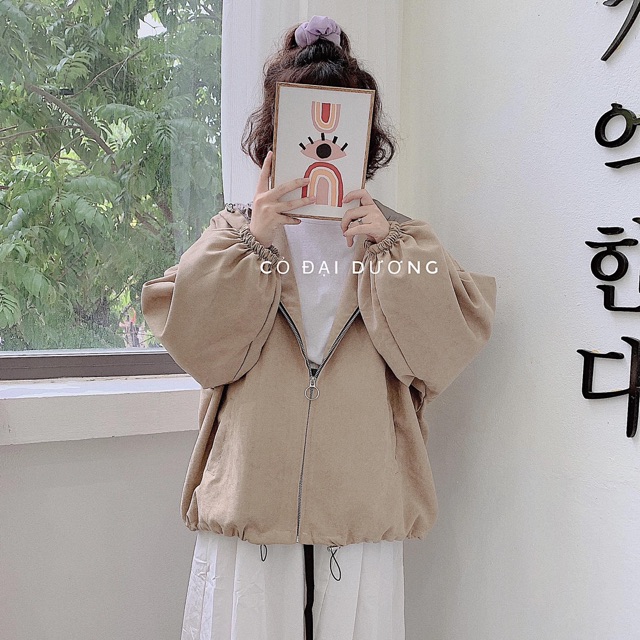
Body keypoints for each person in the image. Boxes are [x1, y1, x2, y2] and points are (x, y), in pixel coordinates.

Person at [140, 15, 497, 640]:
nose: (324, 145)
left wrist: (389, 253)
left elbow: (442, 350)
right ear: (275, 133)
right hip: (252, 499)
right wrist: (255, 242)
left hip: (359, 504)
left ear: (366, 135)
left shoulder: (401, 241)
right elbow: (199, 347)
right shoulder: (234, 235)